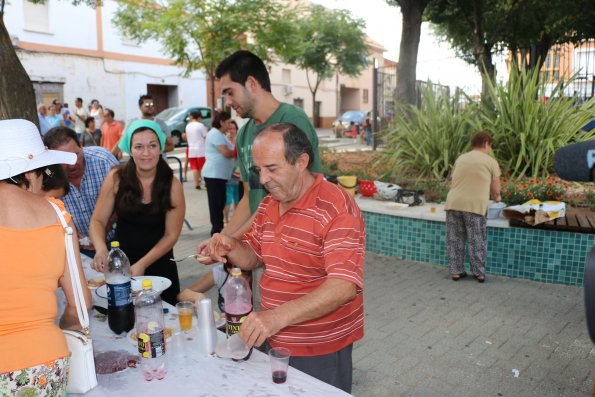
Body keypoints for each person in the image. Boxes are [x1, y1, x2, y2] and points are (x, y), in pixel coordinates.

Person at [208, 123, 364, 393]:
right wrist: (230, 245)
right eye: (259, 170)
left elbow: (344, 286)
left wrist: (274, 317)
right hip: (275, 335)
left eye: (272, 168)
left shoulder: (336, 207)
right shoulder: (270, 203)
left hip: (319, 346)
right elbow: (254, 256)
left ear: (301, 161)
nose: (264, 180)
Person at [198, 50, 323, 257]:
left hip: (295, 246)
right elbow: (250, 197)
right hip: (259, 246)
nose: (227, 102)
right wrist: (220, 238)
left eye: (230, 92)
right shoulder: (244, 134)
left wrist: (233, 240)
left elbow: (298, 193)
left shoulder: (292, 119)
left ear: (251, 84)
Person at [0, 119, 91, 394]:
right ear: (29, 174)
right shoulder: (58, 214)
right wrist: (58, 325)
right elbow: (80, 304)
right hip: (46, 363)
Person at [89, 119, 185, 305]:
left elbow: (171, 235)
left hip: (160, 265)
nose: (146, 153)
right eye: (139, 146)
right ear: (129, 150)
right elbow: (98, 221)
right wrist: (101, 248)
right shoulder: (116, 178)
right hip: (121, 264)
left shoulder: (173, 186)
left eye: (152, 145)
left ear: (161, 148)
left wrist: (143, 263)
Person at [43, 127, 120, 258]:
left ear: (82, 146)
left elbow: (126, 201)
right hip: (75, 249)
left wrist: (104, 228)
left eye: (76, 155)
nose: (72, 164)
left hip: (116, 241)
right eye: (64, 159)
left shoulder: (104, 161)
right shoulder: (46, 176)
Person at [444, 131, 502, 283]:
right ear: (485, 143)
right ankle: (479, 273)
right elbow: (496, 187)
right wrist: (497, 197)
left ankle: (456, 272)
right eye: (490, 145)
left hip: (454, 203)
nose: (489, 148)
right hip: (474, 206)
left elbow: (455, 179)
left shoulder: (461, 158)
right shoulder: (490, 162)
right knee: (476, 240)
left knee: (455, 239)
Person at [202, 111, 234, 235]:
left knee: (220, 202)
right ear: (221, 122)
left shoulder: (221, 134)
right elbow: (225, 152)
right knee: (216, 205)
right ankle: (216, 231)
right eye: (228, 123)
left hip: (220, 176)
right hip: (214, 175)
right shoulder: (215, 134)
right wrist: (237, 152)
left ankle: (218, 229)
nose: (229, 125)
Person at [177, 263, 251, 313]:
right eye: (228, 264)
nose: (231, 271)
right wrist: (197, 297)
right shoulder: (221, 272)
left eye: (244, 270)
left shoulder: (258, 276)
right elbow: (182, 295)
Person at [184, 111, 208, 189]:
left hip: (191, 148)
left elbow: (187, 137)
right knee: (203, 167)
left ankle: (196, 184)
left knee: (194, 167)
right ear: (199, 118)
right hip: (201, 149)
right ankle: (206, 183)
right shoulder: (200, 125)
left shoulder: (188, 126)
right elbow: (205, 136)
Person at [223, 120, 240, 224]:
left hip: (238, 172)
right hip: (228, 171)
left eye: (234, 128)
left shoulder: (239, 140)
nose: (232, 131)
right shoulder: (224, 141)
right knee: (228, 196)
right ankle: (226, 220)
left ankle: (236, 220)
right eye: (230, 128)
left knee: (237, 196)